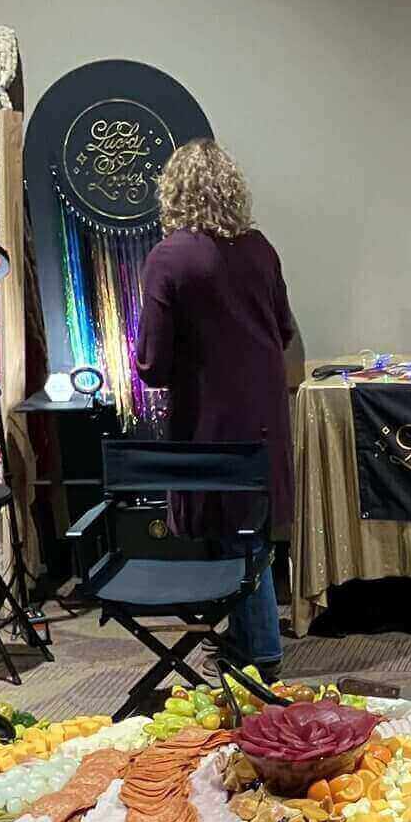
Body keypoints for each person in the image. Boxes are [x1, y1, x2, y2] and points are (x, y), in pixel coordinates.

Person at [136, 140, 298, 678]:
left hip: (209, 421)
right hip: (265, 416)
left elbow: (152, 364)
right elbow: (284, 329)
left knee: (232, 537)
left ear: (174, 193)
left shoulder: (169, 258)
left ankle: (263, 652)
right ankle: (246, 637)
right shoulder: (260, 249)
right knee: (251, 533)